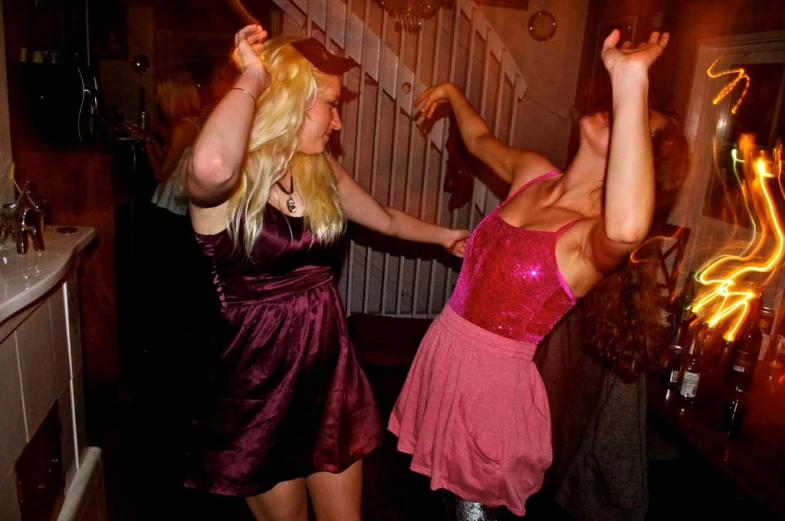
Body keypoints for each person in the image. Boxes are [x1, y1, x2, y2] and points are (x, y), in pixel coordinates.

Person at [182, 25, 469, 521]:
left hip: (326, 372)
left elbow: (386, 219)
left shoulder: (319, 171)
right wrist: (253, 74)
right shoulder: (230, 185)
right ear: (292, 101)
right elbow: (210, 163)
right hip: (259, 385)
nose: (337, 123)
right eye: (330, 105)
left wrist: (448, 237)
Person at [389, 30, 679, 519]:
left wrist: (632, 78)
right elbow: (479, 141)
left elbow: (629, 230)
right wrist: (454, 93)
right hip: (443, 365)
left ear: (638, 158)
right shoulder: (535, 172)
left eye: (634, 117)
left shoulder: (587, 239)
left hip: (489, 404)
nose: (616, 108)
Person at [125, 64, 203, 216]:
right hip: (176, 203)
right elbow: (166, 161)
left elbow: (160, 174)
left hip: (172, 206)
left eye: (159, 93)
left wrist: (146, 140)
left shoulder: (182, 128)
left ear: (172, 95)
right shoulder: (192, 121)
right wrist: (151, 138)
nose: (156, 98)